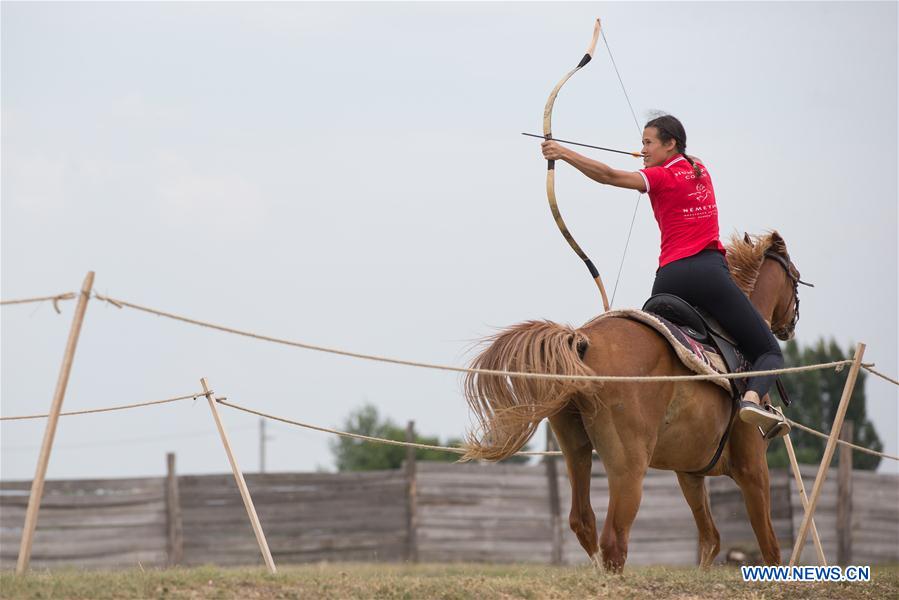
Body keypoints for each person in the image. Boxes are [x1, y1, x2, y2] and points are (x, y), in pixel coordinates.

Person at [541, 114, 785, 435]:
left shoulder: (660, 176)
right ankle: (752, 399)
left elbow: (608, 176)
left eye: (648, 143)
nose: (642, 150)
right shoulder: (700, 168)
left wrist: (562, 153)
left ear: (670, 144)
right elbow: (671, 167)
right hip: (709, 275)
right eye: (642, 143)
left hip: (670, 280)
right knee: (768, 351)